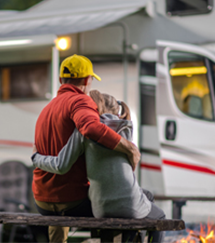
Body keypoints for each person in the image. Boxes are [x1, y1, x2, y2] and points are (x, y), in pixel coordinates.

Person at [32, 90, 165, 243]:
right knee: (159, 216)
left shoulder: (81, 131)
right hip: (128, 202)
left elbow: (61, 165)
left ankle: (135, 236)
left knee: (145, 198)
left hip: (99, 206)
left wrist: (36, 157)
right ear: (118, 110)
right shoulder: (126, 127)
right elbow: (130, 168)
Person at [33, 54, 141, 243]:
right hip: (71, 201)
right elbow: (91, 127)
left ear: (61, 80)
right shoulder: (80, 101)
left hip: (42, 201)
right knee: (115, 210)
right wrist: (129, 148)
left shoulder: (46, 110)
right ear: (86, 80)